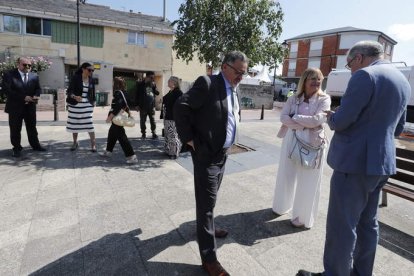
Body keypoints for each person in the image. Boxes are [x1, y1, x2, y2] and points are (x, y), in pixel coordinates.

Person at [297, 41, 411, 276]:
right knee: (368, 223)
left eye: (350, 63)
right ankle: (361, 273)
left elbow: (342, 122)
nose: (350, 69)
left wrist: (332, 117)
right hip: (382, 164)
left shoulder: (365, 76)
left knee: (343, 225)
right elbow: (397, 129)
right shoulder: (402, 80)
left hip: (355, 163)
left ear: (359, 58)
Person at [174, 50, 248, 276]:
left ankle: (209, 229)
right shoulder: (207, 83)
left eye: (244, 73)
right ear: (225, 66)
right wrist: (189, 139)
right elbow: (180, 106)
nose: (241, 77)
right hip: (206, 155)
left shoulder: (234, 89)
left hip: (222, 154)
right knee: (206, 205)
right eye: (238, 72)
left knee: (211, 198)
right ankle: (209, 258)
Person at [272, 68, 331, 229]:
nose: (316, 82)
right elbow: (283, 117)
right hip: (291, 139)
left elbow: (318, 120)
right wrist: (305, 123)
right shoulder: (293, 98)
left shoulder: (324, 99)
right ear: (304, 81)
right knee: (286, 174)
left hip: (313, 144)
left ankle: (302, 217)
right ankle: (281, 206)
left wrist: (295, 118)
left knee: (309, 181)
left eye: (319, 79)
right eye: (312, 78)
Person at [2, 57, 46, 157]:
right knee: (15, 129)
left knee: (32, 127)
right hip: (15, 107)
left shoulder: (34, 75)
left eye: (29, 65)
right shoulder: (9, 75)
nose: (27, 67)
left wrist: (36, 95)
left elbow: (38, 88)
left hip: (30, 107)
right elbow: (6, 90)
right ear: (18, 64)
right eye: (25, 64)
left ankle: (35, 145)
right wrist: (23, 97)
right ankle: (17, 148)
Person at [100, 77, 138, 164]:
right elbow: (126, 104)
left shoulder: (118, 93)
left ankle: (132, 156)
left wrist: (110, 117)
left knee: (121, 137)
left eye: (114, 83)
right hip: (119, 117)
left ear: (116, 84)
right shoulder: (125, 93)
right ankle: (108, 151)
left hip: (117, 118)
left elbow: (118, 106)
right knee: (112, 133)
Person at [66, 62, 96, 152]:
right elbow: (69, 91)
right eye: (89, 70)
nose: (91, 72)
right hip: (75, 105)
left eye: (92, 70)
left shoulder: (91, 80)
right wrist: (75, 96)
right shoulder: (76, 78)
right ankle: (75, 142)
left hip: (87, 105)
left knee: (90, 124)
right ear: (83, 69)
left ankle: (93, 145)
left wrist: (93, 102)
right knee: (74, 124)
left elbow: (93, 93)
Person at [161, 76, 183, 159]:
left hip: (173, 118)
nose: (168, 82)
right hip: (168, 116)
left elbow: (180, 105)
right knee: (167, 135)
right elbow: (165, 99)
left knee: (173, 135)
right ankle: (168, 150)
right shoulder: (171, 91)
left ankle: (174, 153)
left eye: (169, 81)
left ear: (174, 83)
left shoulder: (178, 93)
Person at [136, 71, 159, 139]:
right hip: (143, 106)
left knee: (153, 120)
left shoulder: (152, 84)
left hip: (151, 106)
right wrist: (136, 105)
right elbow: (137, 94)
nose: (152, 79)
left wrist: (153, 87)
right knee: (142, 121)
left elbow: (157, 93)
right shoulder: (140, 84)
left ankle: (154, 133)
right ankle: (143, 133)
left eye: (153, 78)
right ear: (147, 77)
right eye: (151, 77)